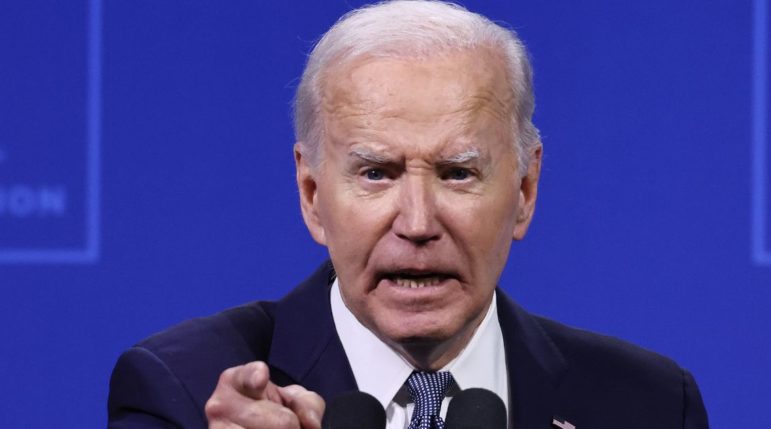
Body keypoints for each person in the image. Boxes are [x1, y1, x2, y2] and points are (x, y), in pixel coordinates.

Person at [108, 1, 709, 428]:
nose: (417, 223)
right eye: (377, 173)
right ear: (312, 195)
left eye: (457, 173)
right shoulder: (185, 394)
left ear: (525, 189)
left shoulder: (649, 404)